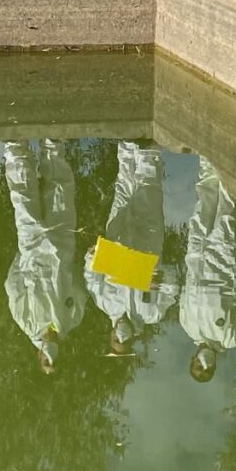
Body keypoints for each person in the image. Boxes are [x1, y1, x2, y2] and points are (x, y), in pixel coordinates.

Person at [85, 142, 179, 353]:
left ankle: (127, 144)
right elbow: (173, 286)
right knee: (148, 190)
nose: (120, 336)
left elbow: (92, 278)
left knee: (123, 191)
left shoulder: (104, 304)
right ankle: (147, 148)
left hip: (116, 240)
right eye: (124, 342)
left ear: (110, 336)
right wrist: (162, 278)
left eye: (115, 340)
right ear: (132, 342)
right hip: (148, 244)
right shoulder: (152, 314)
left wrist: (91, 256)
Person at [4, 139, 86, 373]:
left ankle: (16, 150)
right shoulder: (70, 321)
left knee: (23, 201)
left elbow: (13, 287)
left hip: (31, 253)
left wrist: (23, 258)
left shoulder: (27, 324)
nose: (50, 358)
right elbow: (80, 289)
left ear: (39, 356)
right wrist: (70, 263)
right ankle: (52, 146)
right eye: (55, 362)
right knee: (61, 193)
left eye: (45, 362)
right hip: (62, 247)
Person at [180, 156, 236, 383]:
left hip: (197, 257)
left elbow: (184, 292)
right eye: (206, 370)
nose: (203, 365)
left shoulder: (188, 327)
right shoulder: (231, 338)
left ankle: (208, 153)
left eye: (197, 367)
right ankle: (233, 154)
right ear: (214, 368)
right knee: (227, 207)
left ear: (192, 359)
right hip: (225, 264)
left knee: (204, 201)